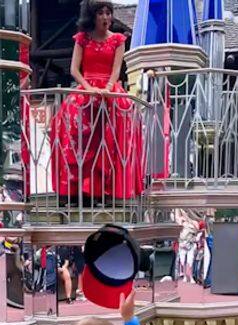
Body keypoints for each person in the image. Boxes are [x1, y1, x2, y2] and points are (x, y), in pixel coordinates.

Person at [50, 1, 142, 203]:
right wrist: (89, 88)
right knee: (71, 128)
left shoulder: (118, 40)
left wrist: (108, 89)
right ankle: (74, 190)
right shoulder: (82, 38)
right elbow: (74, 69)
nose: (106, 17)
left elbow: (117, 70)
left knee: (113, 135)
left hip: (109, 89)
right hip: (87, 87)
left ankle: (107, 190)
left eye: (109, 13)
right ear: (93, 16)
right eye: (101, 13)